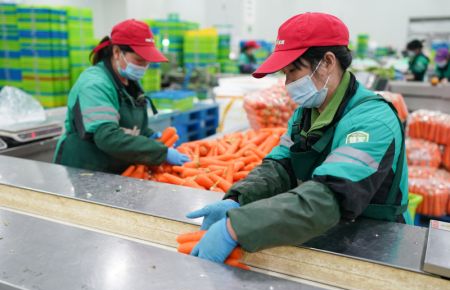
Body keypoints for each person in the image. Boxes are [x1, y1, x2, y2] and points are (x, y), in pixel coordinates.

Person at [186, 13, 410, 264]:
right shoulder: (306, 113)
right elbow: (281, 165)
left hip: (376, 243)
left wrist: (239, 227)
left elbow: (331, 195)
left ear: (327, 61)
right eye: (285, 72)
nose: (287, 83)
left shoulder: (372, 121)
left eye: (294, 71)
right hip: (326, 232)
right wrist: (239, 199)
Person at [54, 19, 190, 174]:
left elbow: (129, 125)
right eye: (139, 60)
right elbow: (107, 137)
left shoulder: (129, 81)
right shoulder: (95, 84)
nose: (144, 67)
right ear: (117, 52)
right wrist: (160, 152)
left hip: (113, 170)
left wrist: (148, 135)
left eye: (147, 62)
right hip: (83, 170)